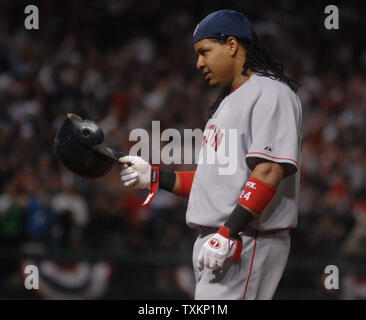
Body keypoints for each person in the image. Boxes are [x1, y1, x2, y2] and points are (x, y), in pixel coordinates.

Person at [119, 9, 302, 300]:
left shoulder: (270, 92)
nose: (198, 62)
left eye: (204, 51)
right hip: (221, 239)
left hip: (244, 239)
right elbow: (212, 182)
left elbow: (269, 170)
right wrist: (153, 176)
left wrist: (229, 232)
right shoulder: (228, 102)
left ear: (232, 45)